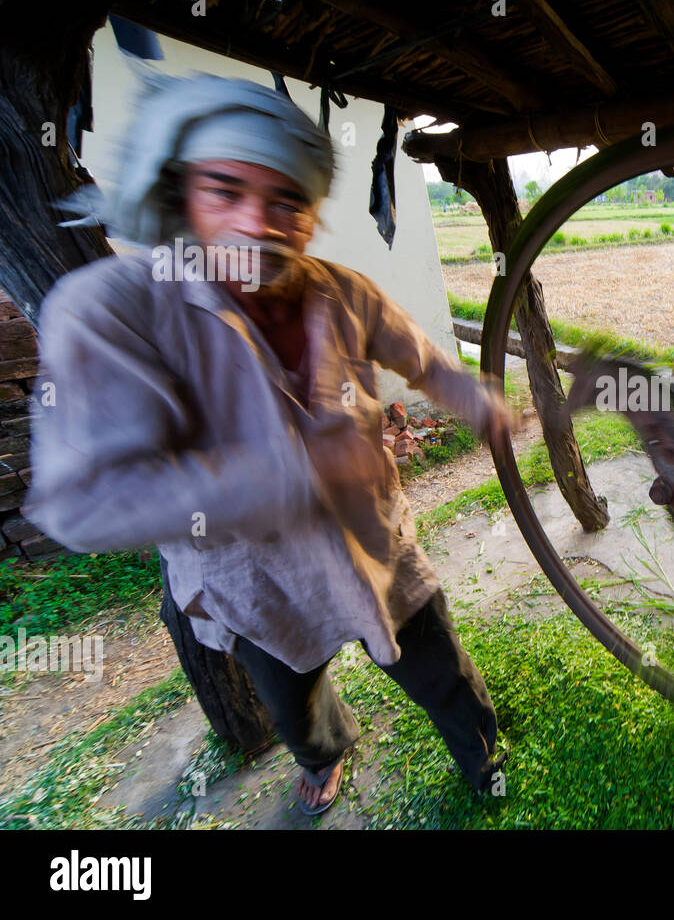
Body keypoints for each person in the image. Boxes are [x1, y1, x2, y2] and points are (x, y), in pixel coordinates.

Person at [24, 73, 518, 816]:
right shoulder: (116, 309)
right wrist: (295, 469)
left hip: (374, 543)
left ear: (312, 215)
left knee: (440, 669)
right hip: (255, 580)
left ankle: (483, 757)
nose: (258, 222)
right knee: (297, 704)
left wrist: (474, 399)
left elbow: (423, 358)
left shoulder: (343, 291)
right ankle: (327, 753)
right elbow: (82, 501)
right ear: (180, 195)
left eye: (287, 200)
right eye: (226, 190)